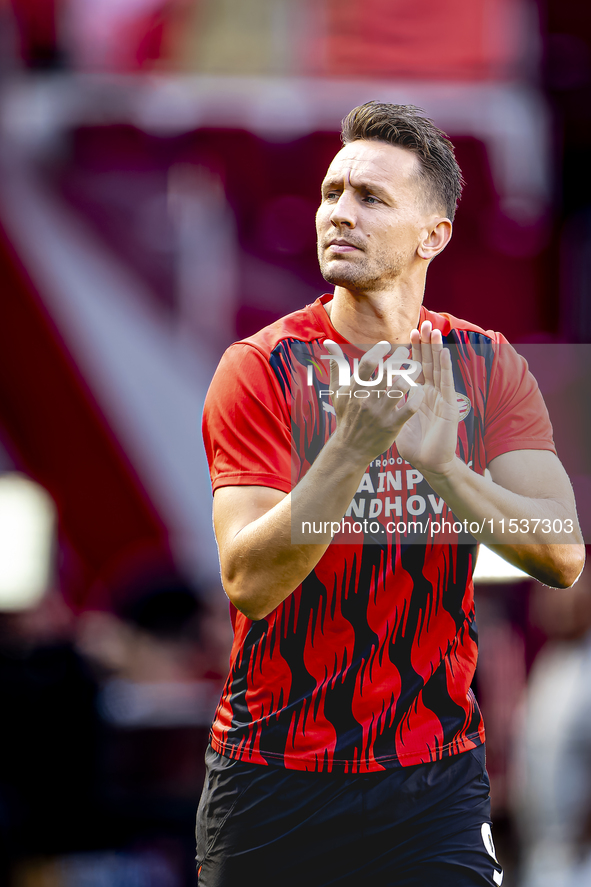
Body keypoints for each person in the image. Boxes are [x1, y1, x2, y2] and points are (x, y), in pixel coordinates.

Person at [198, 101, 585, 887]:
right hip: (273, 772)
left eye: (370, 197)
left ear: (433, 234)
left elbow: (560, 553)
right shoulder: (260, 367)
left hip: (431, 777)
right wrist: (352, 445)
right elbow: (250, 580)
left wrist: (446, 468)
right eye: (330, 192)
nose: (338, 212)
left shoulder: (487, 364)